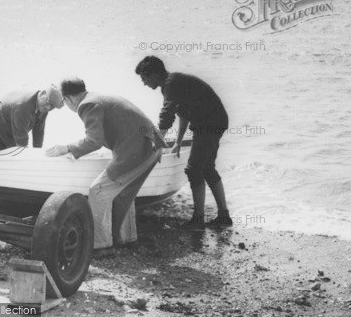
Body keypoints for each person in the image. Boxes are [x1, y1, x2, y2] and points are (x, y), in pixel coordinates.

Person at [45, 78, 165, 257]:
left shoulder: (87, 105)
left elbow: (94, 141)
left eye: (64, 101)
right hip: (153, 145)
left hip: (138, 150)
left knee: (98, 190)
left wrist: (67, 148)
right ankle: (126, 240)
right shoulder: (98, 97)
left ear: (68, 99)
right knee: (122, 193)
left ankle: (101, 246)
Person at [135, 55, 232, 229]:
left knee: (194, 168)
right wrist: (178, 142)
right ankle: (223, 216)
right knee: (207, 168)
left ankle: (198, 220)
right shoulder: (171, 84)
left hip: (209, 124)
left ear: (154, 74)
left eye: (144, 78)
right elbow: (183, 114)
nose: (143, 83)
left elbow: (167, 115)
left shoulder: (172, 84)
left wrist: (158, 140)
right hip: (212, 122)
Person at [0, 85, 64, 149]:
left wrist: (37, 153)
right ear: (42, 93)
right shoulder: (23, 107)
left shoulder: (43, 107)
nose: (48, 107)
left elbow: (38, 132)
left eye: (53, 106)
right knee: (12, 157)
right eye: (48, 102)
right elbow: (21, 139)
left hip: (13, 129)